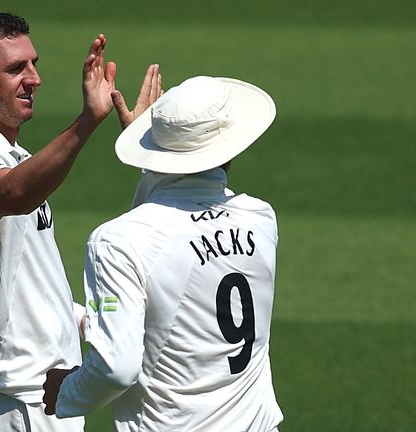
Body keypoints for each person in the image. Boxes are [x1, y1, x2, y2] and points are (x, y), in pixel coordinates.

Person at [0, 12, 162, 432]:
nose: (34, 79)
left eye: (34, 64)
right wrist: (87, 122)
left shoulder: (6, 154)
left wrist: (89, 321)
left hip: (30, 394)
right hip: (9, 400)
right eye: (16, 68)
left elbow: (27, 283)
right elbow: (13, 194)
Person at [43, 76, 284, 431]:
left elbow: (117, 368)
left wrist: (67, 391)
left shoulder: (117, 242)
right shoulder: (260, 217)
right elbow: (171, 237)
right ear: (230, 146)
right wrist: (156, 163)